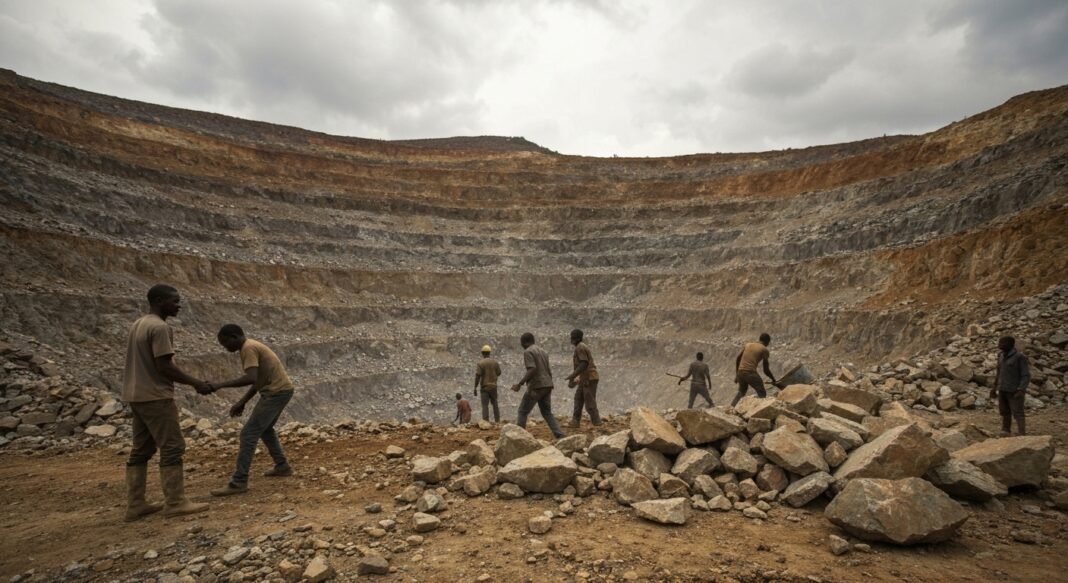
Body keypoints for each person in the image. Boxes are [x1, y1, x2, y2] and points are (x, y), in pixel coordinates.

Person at [122, 284, 210, 521]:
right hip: (155, 396)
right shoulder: (160, 328)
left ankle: (135, 504)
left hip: (135, 395)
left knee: (141, 449)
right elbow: (165, 366)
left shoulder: (138, 324)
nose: (179, 305)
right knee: (172, 446)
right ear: (159, 301)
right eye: (174, 300)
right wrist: (196, 383)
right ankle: (175, 502)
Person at [207, 324, 296, 496]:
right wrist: (242, 402)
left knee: (248, 434)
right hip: (280, 390)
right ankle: (282, 466)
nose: (225, 348)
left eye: (225, 343)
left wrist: (219, 385)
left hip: (276, 393)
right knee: (265, 429)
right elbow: (258, 380)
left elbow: (251, 378)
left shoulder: (248, 348)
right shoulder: (251, 346)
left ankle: (239, 481)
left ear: (234, 336)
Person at [509, 332, 565, 438]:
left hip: (537, 386)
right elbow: (548, 370)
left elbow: (532, 368)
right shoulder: (543, 351)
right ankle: (559, 434)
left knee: (522, 411)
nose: (521, 346)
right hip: (548, 384)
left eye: (521, 343)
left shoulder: (528, 351)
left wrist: (520, 384)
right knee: (547, 412)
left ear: (525, 342)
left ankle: (519, 438)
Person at [991, 336, 1030, 436]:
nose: (1000, 344)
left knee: (1018, 412)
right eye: (1000, 342)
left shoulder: (1019, 357)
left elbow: (1025, 375)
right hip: (1002, 388)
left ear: (1010, 344)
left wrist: (1021, 389)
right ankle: (1006, 430)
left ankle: (1022, 432)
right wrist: (994, 387)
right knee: (1004, 411)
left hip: (1014, 390)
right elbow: (998, 373)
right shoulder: (1000, 356)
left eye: (1003, 342)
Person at [730, 333, 778, 408]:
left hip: (740, 372)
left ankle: (731, 408)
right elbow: (766, 370)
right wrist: (773, 379)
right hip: (750, 373)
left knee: (741, 392)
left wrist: (737, 374)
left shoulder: (748, 345)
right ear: (767, 341)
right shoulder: (764, 350)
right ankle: (759, 411)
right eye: (768, 342)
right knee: (762, 392)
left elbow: (738, 359)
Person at [566, 329, 601, 427]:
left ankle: (597, 423)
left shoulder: (580, 347)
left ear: (575, 338)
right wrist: (576, 378)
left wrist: (572, 376)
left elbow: (584, 363)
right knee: (578, 398)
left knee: (589, 403)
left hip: (589, 378)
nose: (571, 338)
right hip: (585, 378)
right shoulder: (580, 347)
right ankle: (575, 421)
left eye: (572, 336)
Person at [474, 345, 502, 422]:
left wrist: (475, 387)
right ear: (489, 353)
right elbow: (499, 373)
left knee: (485, 405)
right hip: (493, 386)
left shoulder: (480, 363)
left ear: (482, 353)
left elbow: (477, 376)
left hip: (484, 387)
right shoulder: (495, 362)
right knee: (495, 404)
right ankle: (497, 420)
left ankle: (486, 421)